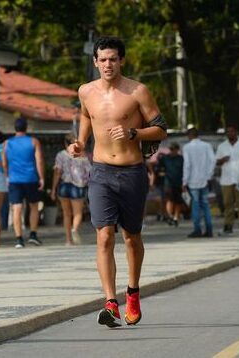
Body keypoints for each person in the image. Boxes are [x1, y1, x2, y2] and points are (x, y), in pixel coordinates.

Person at [67, 36, 167, 328]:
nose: (108, 64)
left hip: (132, 172)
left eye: (113, 59)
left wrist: (135, 133)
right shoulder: (86, 91)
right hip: (99, 172)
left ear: (121, 60)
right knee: (104, 235)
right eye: (103, 59)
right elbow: (87, 116)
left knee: (131, 237)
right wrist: (80, 142)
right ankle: (110, 302)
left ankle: (132, 292)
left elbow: (161, 129)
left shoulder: (137, 91)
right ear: (95, 62)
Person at [2, 118, 45, 249]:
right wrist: (42, 177)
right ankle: (33, 234)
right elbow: (39, 161)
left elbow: (4, 163)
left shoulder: (7, 143)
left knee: (17, 208)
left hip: (14, 180)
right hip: (31, 178)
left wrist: (7, 175)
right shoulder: (33, 141)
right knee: (33, 207)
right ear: (26, 128)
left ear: (14, 128)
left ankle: (19, 239)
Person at [51, 133, 92, 246]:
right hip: (78, 186)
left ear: (65, 143)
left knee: (66, 214)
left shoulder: (61, 155)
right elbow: (89, 172)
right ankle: (74, 229)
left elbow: (57, 172)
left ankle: (68, 240)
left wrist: (53, 189)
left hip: (64, 185)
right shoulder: (83, 155)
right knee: (78, 213)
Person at [215, 125, 239, 236]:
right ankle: (228, 225)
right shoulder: (222, 146)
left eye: (231, 131)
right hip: (226, 179)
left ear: (236, 132)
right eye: (227, 132)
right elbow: (217, 162)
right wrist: (223, 159)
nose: (229, 133)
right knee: (227, 203)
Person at [182, 127, 215, 238]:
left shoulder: (187, 147)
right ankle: (209, 229)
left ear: (189, 136)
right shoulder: (207, 146)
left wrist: (184, 181)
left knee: (195, 205)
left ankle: (197, 230)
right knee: (205, 205)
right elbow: (212, 161)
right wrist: (209, 176)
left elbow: (187, 165)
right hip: (204, 180)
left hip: (192, 180)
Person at [158, 142, 185, 226]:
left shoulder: (181, 159)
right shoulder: (165, 158)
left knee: (178, 201)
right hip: (168, 182)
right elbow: (159, 168)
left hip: (179, 182)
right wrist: (161, 174)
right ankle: (170, 216)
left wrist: (184, 183)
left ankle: (176, 217)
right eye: (171, 149)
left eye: (173, 149)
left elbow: (185, 171)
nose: (172, 151)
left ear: (177, 150)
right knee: (169, 199)